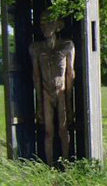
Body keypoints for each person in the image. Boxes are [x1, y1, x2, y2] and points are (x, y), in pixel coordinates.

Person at [29, 9, 75, 164]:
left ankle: (66, 164)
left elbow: (70, 75)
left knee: (63, 130)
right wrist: (39, 104)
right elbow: (36, 76)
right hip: (46, 92)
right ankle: (49, 165)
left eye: (48, 22)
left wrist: (69, 103)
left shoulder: (67, 46)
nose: (44, 27)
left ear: (57, 26)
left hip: (61, 91)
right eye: (42, 23)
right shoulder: (36, 48)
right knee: (49, 133)